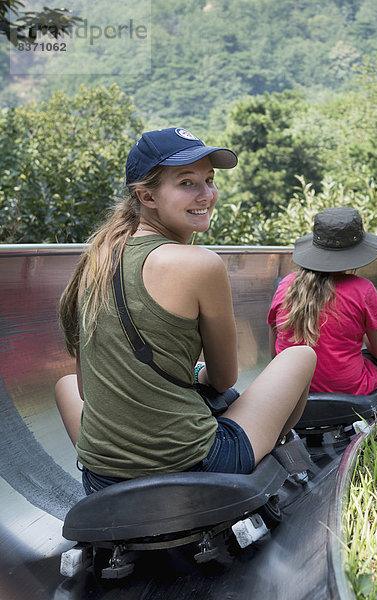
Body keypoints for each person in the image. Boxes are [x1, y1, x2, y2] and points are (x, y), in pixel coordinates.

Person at [55, 127, 316, 494]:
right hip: (195, 462)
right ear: (146, 195)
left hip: (102, 479)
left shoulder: (94, 262)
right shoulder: (200, 264)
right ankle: (269, 465)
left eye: (209, 180)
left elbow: (85, 388)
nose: (207, 194)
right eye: (187, 183)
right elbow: (224, 379)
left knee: (64, 384)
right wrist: (197, 376)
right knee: (300, 356)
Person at [267, 206, 377, 396]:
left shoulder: (286, 286)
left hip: (293, 388)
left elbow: (275, 354)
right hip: (349, 388)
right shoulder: (363, 289)